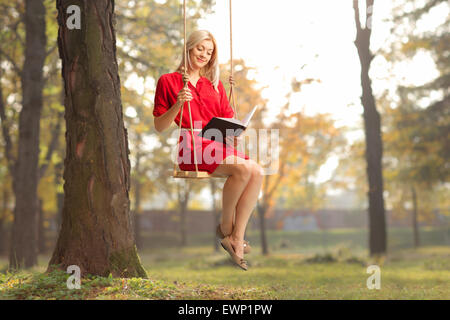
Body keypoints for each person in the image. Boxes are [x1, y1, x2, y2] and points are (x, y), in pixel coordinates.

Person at [153, 30, 263, 270]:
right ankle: (226, 228)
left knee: (256, 171)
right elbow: (159, 126)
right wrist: (178, 104)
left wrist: (235, 129)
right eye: (200, 49)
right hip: (191, 146)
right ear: (189, 48)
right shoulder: (169, 81)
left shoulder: (213, 84)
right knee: (244, 169)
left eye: (209, 51)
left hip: (216, 143)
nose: (204, 54)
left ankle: (236, 237)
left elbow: (227, 118)